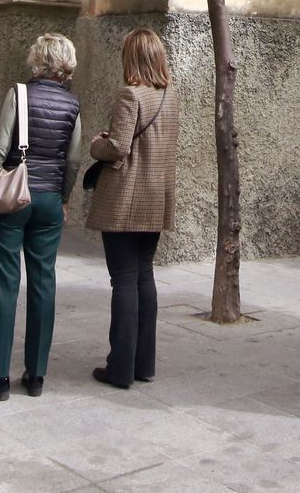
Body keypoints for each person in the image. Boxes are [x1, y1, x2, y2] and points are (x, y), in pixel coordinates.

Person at [0, 33, 83, 401]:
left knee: (6, 283)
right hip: (50, 199)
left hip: (12, 199)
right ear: (66, 64)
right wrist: (63, 198)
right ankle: (36, 375)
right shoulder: (72, 104)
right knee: (43, 283)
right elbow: (73, 160)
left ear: (38, 60)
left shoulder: (18, 94)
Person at [86, 28, 181, 390]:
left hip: (125, 198)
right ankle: (144, 364)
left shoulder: (130, 94)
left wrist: (98, 144)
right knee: (144, 275)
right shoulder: (170, 95)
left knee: (123, 279)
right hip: (155, 196)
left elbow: (120, 147)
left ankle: (120, 367)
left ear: (132, 57)